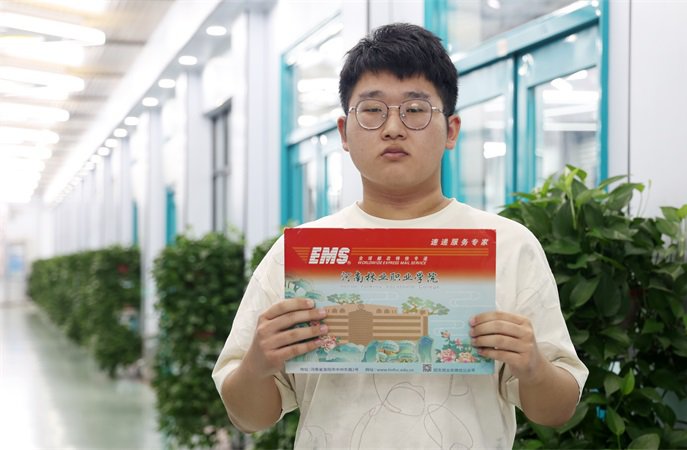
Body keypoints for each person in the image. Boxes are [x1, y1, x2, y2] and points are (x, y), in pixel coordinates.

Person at [213, 23, 588, 449]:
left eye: (415, 109)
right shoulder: (301, 255)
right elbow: (248, 417)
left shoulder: (509, 245)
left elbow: (556, 411)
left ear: (451, 130)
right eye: (372, 110)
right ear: (344, 133)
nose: (393, 127)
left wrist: (534, 366)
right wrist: (257, 365)